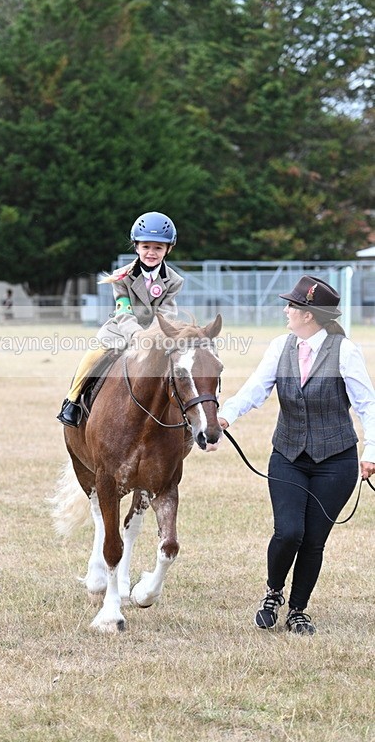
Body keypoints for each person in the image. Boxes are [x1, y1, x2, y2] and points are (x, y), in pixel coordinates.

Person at [218, 275, 375, 635]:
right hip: (288, 453)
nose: (286, 310)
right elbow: (256, 387)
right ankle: (273, 593)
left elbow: (368, 406)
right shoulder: (280, 346)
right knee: (289, 531)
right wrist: (227, 414)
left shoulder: (345, 351)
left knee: (314, 540)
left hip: (336, 461)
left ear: (309, 314)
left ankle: (298, 610)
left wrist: (371, 450)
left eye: (292, 305)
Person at [57, 211, 182, 427]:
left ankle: (185, 416)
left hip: (157, 332)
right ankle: (73, 400)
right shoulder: (121, 276)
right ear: (136, 247)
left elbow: (167, 313)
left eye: (158, 248)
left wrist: (151, 336)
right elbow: (123, 311)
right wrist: (137, 335)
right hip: (121, 329)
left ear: (168, 249)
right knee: (93, 354)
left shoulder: (174, 280)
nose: (151, 253)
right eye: (146, 247)